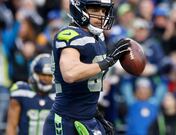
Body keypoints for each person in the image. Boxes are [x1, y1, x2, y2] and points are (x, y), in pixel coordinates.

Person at [43, 0, 130, 135]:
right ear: (79, 8)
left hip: (88, 119)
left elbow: (87, 86)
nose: (101, 14)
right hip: (66, 121)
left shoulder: (98, 38)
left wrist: (96, 114)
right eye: (95, 9)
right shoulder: (70, 35)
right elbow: (70, 74)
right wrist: (108, 61)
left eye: (104, 10)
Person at [6, 53, 55, 135]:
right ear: (34, 73)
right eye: (43, 75)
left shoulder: (58, 95)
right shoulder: (22, 92)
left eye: (50, 75)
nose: (46, 78)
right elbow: (11, 126)